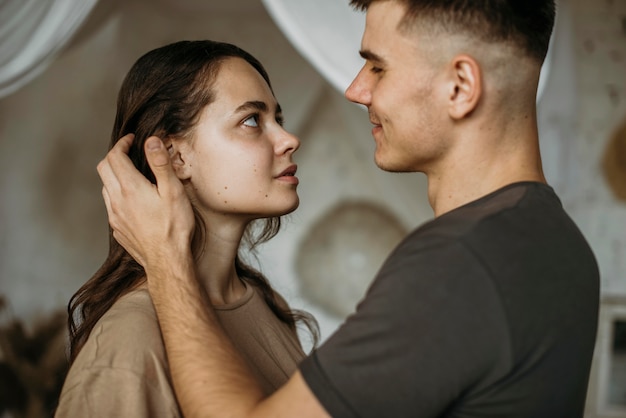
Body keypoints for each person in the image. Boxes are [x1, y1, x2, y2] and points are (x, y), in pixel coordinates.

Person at [97, 0, 600, 417]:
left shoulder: (460, 266)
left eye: (378, 65)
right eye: (252, 120)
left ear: (460, 87)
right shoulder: (557, 241)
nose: (356, 89)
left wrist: (166, 260)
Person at [54, 39, 318, 417]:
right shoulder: (128, 341)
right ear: (173, 156)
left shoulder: (265, 304)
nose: (289, 139)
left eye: (279, 119)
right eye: (251, 121)